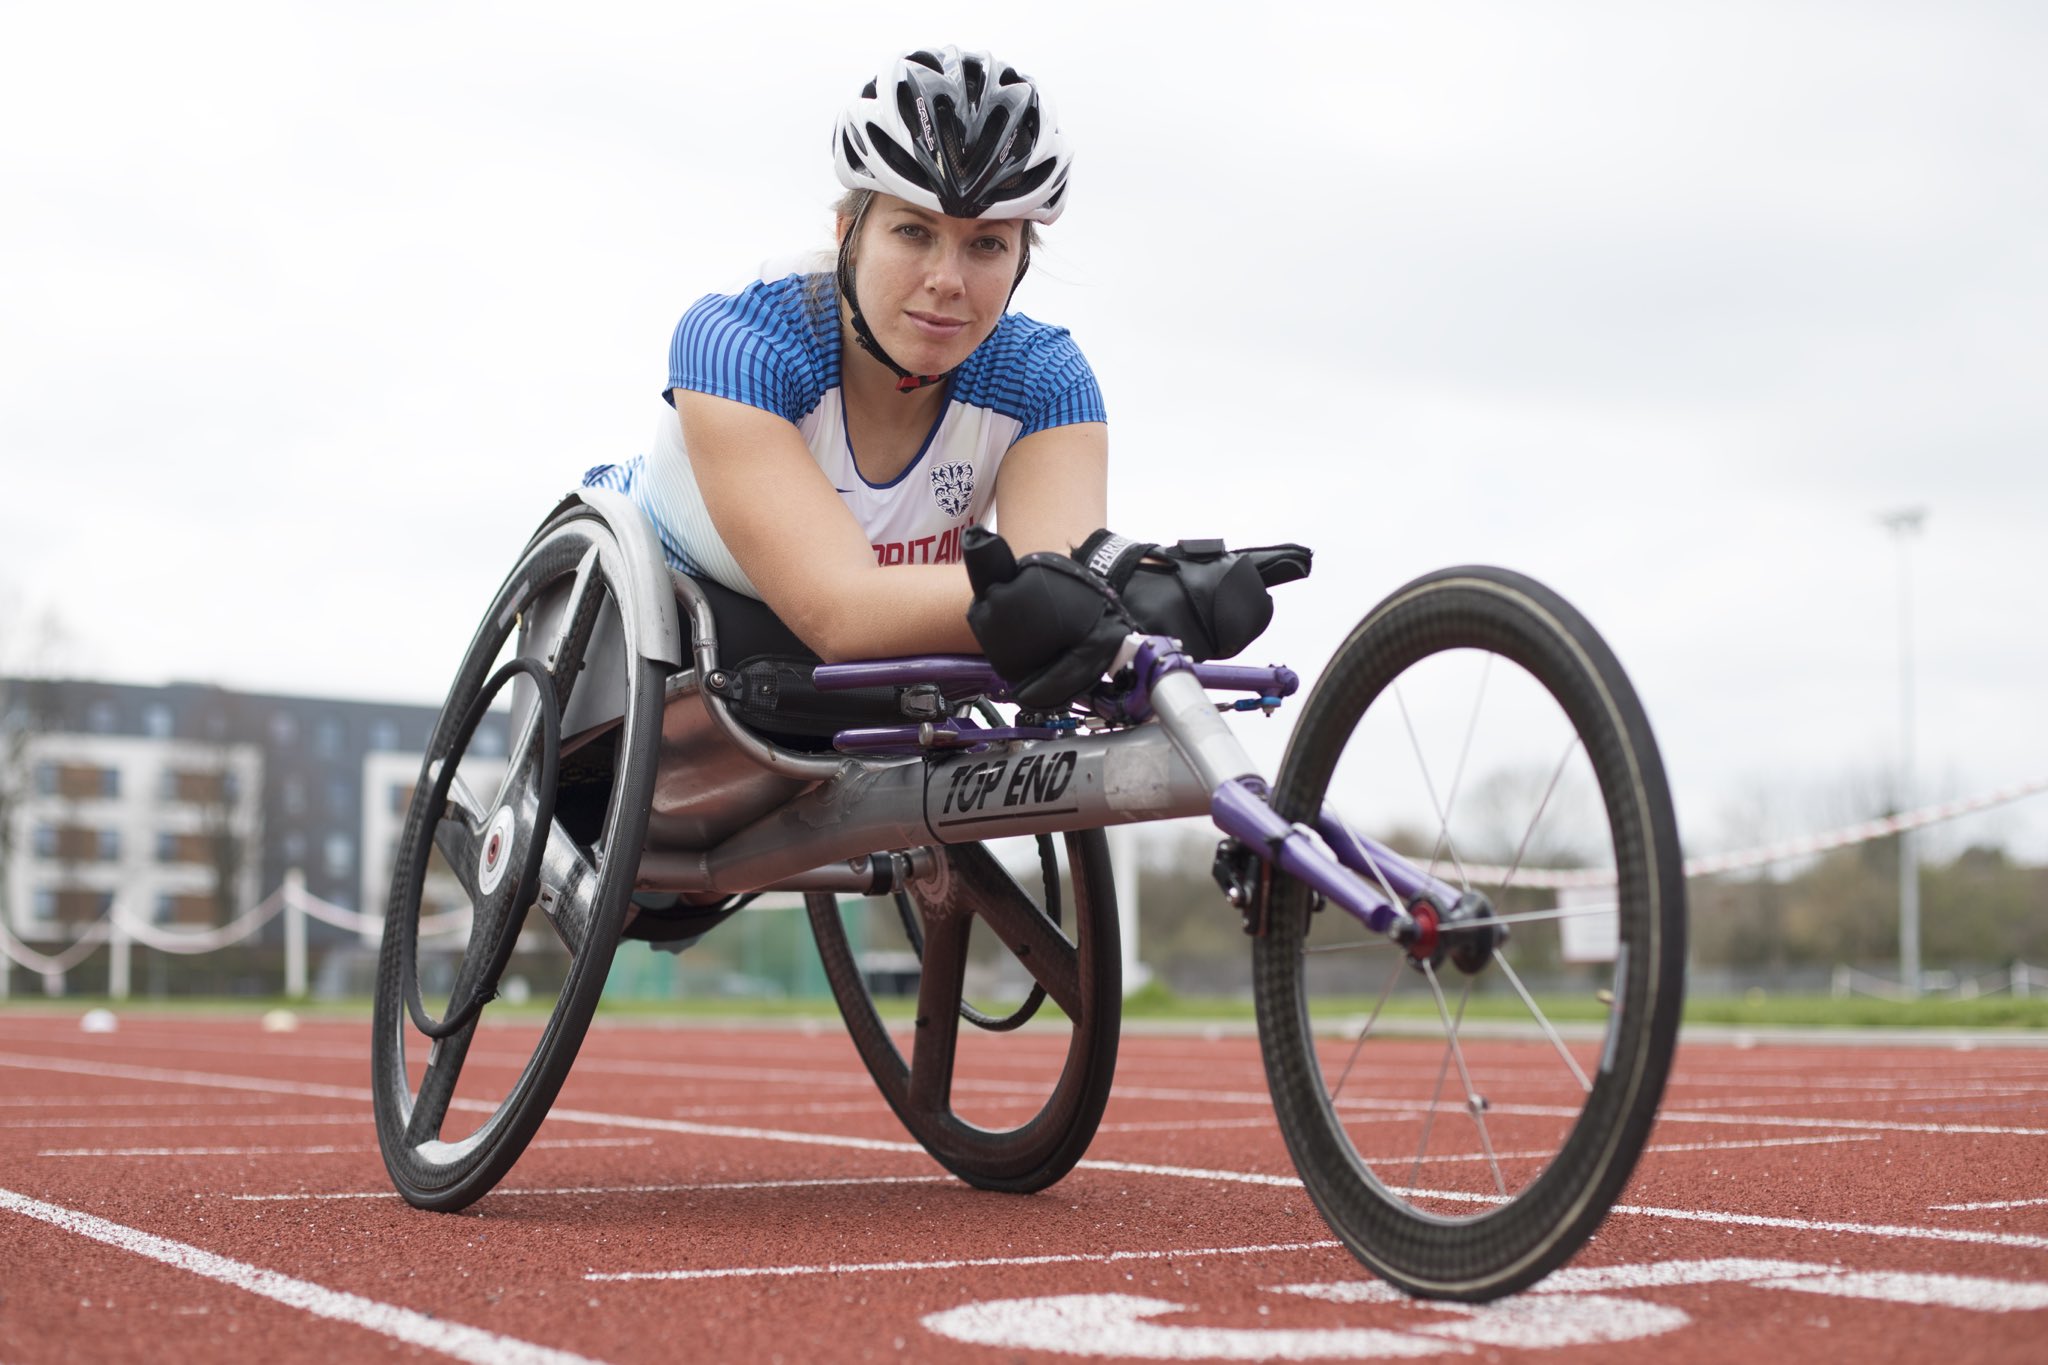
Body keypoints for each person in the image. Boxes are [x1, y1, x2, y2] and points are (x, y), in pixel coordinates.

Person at [584, 45, 1105, 664]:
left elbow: (1056, 601)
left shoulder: (1044, 377)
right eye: (913, 231)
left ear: (1019, 261)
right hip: (650, 636)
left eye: (987, 245)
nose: (948, 280)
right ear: (848, 237)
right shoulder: (741, 337)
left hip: (884, 677)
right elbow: (843, 614)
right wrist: (1103, 589)